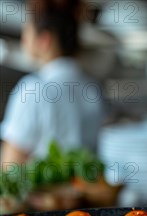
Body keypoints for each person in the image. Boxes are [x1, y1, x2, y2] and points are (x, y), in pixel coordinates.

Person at [1, 0, 103, 169]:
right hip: (86, 192)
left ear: (44, 40)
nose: (23, 39)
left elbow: (9, 170)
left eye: (26, 31)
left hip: (42, 195)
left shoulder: (33, 90)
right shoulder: (93, 88)